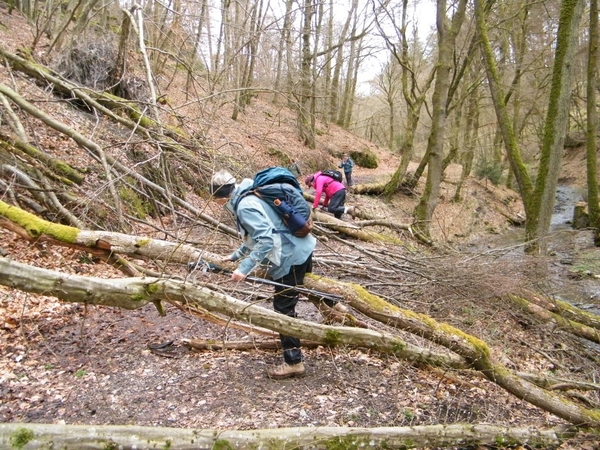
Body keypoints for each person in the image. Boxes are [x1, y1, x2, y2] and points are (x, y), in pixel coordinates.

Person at [210, 169, 317, 379]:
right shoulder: (250, 193)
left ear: (221, 197)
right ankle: (337, 313)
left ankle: (293, 362)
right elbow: (257, 234)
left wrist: (244, 269)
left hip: (290, 256)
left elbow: (267, 239)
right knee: (308, 288)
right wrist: (236, 255)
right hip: (302, 247)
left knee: (283, 309)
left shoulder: (244, 206)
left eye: (215, 199)